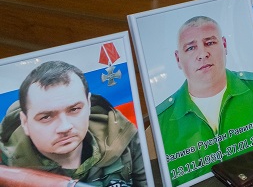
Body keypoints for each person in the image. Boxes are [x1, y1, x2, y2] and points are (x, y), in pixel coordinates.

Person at [156, 16, 253, 185]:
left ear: (224, 45)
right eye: (191, 48)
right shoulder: (161, 122)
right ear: (178, 59)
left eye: (210, 43)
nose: (203, 54)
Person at [0, 61, 147, 186]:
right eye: (46, 117)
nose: (64, 127)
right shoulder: (5, 165)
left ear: (89, 104)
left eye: (74, 109)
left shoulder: (123, 138)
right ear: (25, 122)